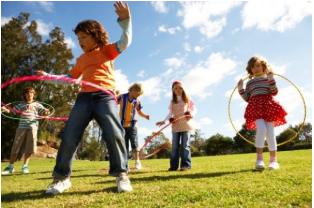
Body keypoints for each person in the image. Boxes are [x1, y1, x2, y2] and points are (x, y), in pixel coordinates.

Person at [36, 1, 133, 194]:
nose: (80, 41)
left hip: (105, 96)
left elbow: (125, 42)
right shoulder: (81, 60)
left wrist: (126, 21)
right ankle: (61, 178)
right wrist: (47, 77)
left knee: (114, 133)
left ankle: (122, 174)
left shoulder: (106, 50)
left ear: (95, 35)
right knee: (70, 136)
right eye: (78, 38)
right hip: (84, 98)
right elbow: (68, 79)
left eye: (83, 36)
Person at [238, 55, 287, 170]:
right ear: (250, 70)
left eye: (258, 66)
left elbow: (274, 92)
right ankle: (259, 160)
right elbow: (247, 98)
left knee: (270, 133)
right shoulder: (249, 83)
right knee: (261, 129)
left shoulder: (268, 78)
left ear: (263, 66)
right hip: (255, 107)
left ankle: (273, 161)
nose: (255, 69)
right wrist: (240, 88)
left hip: (269, 106)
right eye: (252, 67)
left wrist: (271, 79)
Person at [1, 87, 50, 174]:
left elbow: (45, 112)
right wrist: (5, 110)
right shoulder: (20, 105)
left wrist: (47, 112)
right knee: (16, 146)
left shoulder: (37, 104)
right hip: (21, 127)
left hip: (33, 127)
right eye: (27, 93)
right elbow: (11, 111)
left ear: (34, 94)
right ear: (25, 95)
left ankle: (25, 166)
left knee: (29, 147)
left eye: (31, 93)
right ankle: (10, 167)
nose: (29, 94)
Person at [156, 81, 196, 171]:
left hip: (186, 124)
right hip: (176, 125)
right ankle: (174, 166)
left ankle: (185, 166)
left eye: (180, 88)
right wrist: (164, 121)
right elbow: (170, 113)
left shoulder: (187, 99)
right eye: (176, 88)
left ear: (183, 89)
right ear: (173, 91)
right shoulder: (172, 101)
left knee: (185, 146)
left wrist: (191, 114)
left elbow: (194, 109)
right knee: (175, 146)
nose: (178, 90)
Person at [117, 82, 150, 170]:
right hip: (122, 124)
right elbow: (112, 102)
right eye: (138, 93)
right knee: (124, 144)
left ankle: (137, 161)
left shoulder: (137, 101)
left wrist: (145, 116)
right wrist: (114, 94)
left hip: (133, 124)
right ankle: (125, 162)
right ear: (133, 89)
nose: (138, 96)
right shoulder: (122, 97)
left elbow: (139, 112)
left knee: (134, 143)